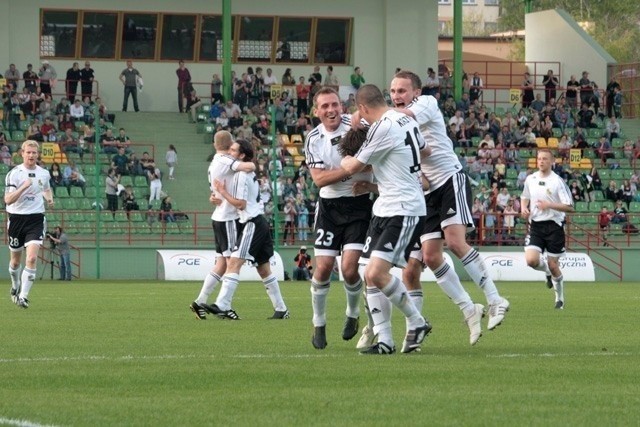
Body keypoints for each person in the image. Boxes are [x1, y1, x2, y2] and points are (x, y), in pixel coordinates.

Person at [387, 70, 510, 346]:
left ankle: (494, 298)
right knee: (429, 258)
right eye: (393, 91)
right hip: (428, 191)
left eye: (402, 91)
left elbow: (403, 122)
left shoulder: (426, 104)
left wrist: (371, 114)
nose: (397, 96)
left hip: (449, 179)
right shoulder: (395, 121)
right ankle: (467, 309)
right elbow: (415, 152)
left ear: (416, 92)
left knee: (455, 242)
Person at [341, 84, 431, 355]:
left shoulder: (383, 126)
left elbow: (353, 167)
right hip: (385, 207)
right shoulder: (406, 119)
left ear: (363, 108)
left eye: (361, 114)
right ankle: (385, 341)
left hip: (403, 208)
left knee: (375, 274)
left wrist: (343, 153)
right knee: (369, 276)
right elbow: (424, 151)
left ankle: (417, 321)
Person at [304, 87, 375, 350]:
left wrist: (355, 169)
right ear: (316, 111)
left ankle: (352, 314)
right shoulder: (313, 138)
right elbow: (319, 180)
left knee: (349, 269)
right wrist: (349, 170)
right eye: (325, 106)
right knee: (322, 268)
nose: (331, 110)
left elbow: (374, 160)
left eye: (334, 104)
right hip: (329, 208)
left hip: (359, 206)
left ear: (342, 106)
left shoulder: (359, 126)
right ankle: (319, 323)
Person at [206, 139, 290, 320]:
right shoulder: (244, 171)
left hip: (251, 223)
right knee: (263, 269)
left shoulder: (241, 175)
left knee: (234, 262)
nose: (229, 151)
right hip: (258, 221)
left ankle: (223, 304)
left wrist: (223, 192)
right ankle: (281, 309)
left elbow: (241, 204)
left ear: (242, 155)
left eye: (233, 150)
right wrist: (216, 196)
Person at [189, 131, 256, 319]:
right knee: (231, 263)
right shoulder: (224, 159)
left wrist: (215, 197)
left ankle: (200, 300)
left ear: (213, 144)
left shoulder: (214, 163)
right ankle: (223, 306)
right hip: (228, 217)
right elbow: (247, 166)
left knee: (221, 264)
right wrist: (252, 162)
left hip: (219, 215)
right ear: (231, 144)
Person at [521, 150, 574, 309]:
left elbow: (570, 207)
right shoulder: (531, 179)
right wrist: (524, 208)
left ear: (552, 161)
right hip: (536, 225)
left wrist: (548, 205)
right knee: (531, 260)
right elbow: (525, 196)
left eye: (544, 159)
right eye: (539, 159)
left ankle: (560, 299)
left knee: (553, 265)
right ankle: (547, 273)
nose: (541, 161)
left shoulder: (557, 181)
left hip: (554, 227)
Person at [5, 140, 55, 308]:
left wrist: (49, 198)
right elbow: (8, 199)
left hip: (36, 219)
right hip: (16, 219)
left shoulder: (44, 173)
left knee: (32, 258)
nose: (31, 155)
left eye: (34, 152)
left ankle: (23, 297)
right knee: (15, 262)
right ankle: (15, 284)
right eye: (28, 152)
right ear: (22, 153)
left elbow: (46, 188)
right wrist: (23, 188)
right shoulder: (15, 173)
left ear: (37, 154)